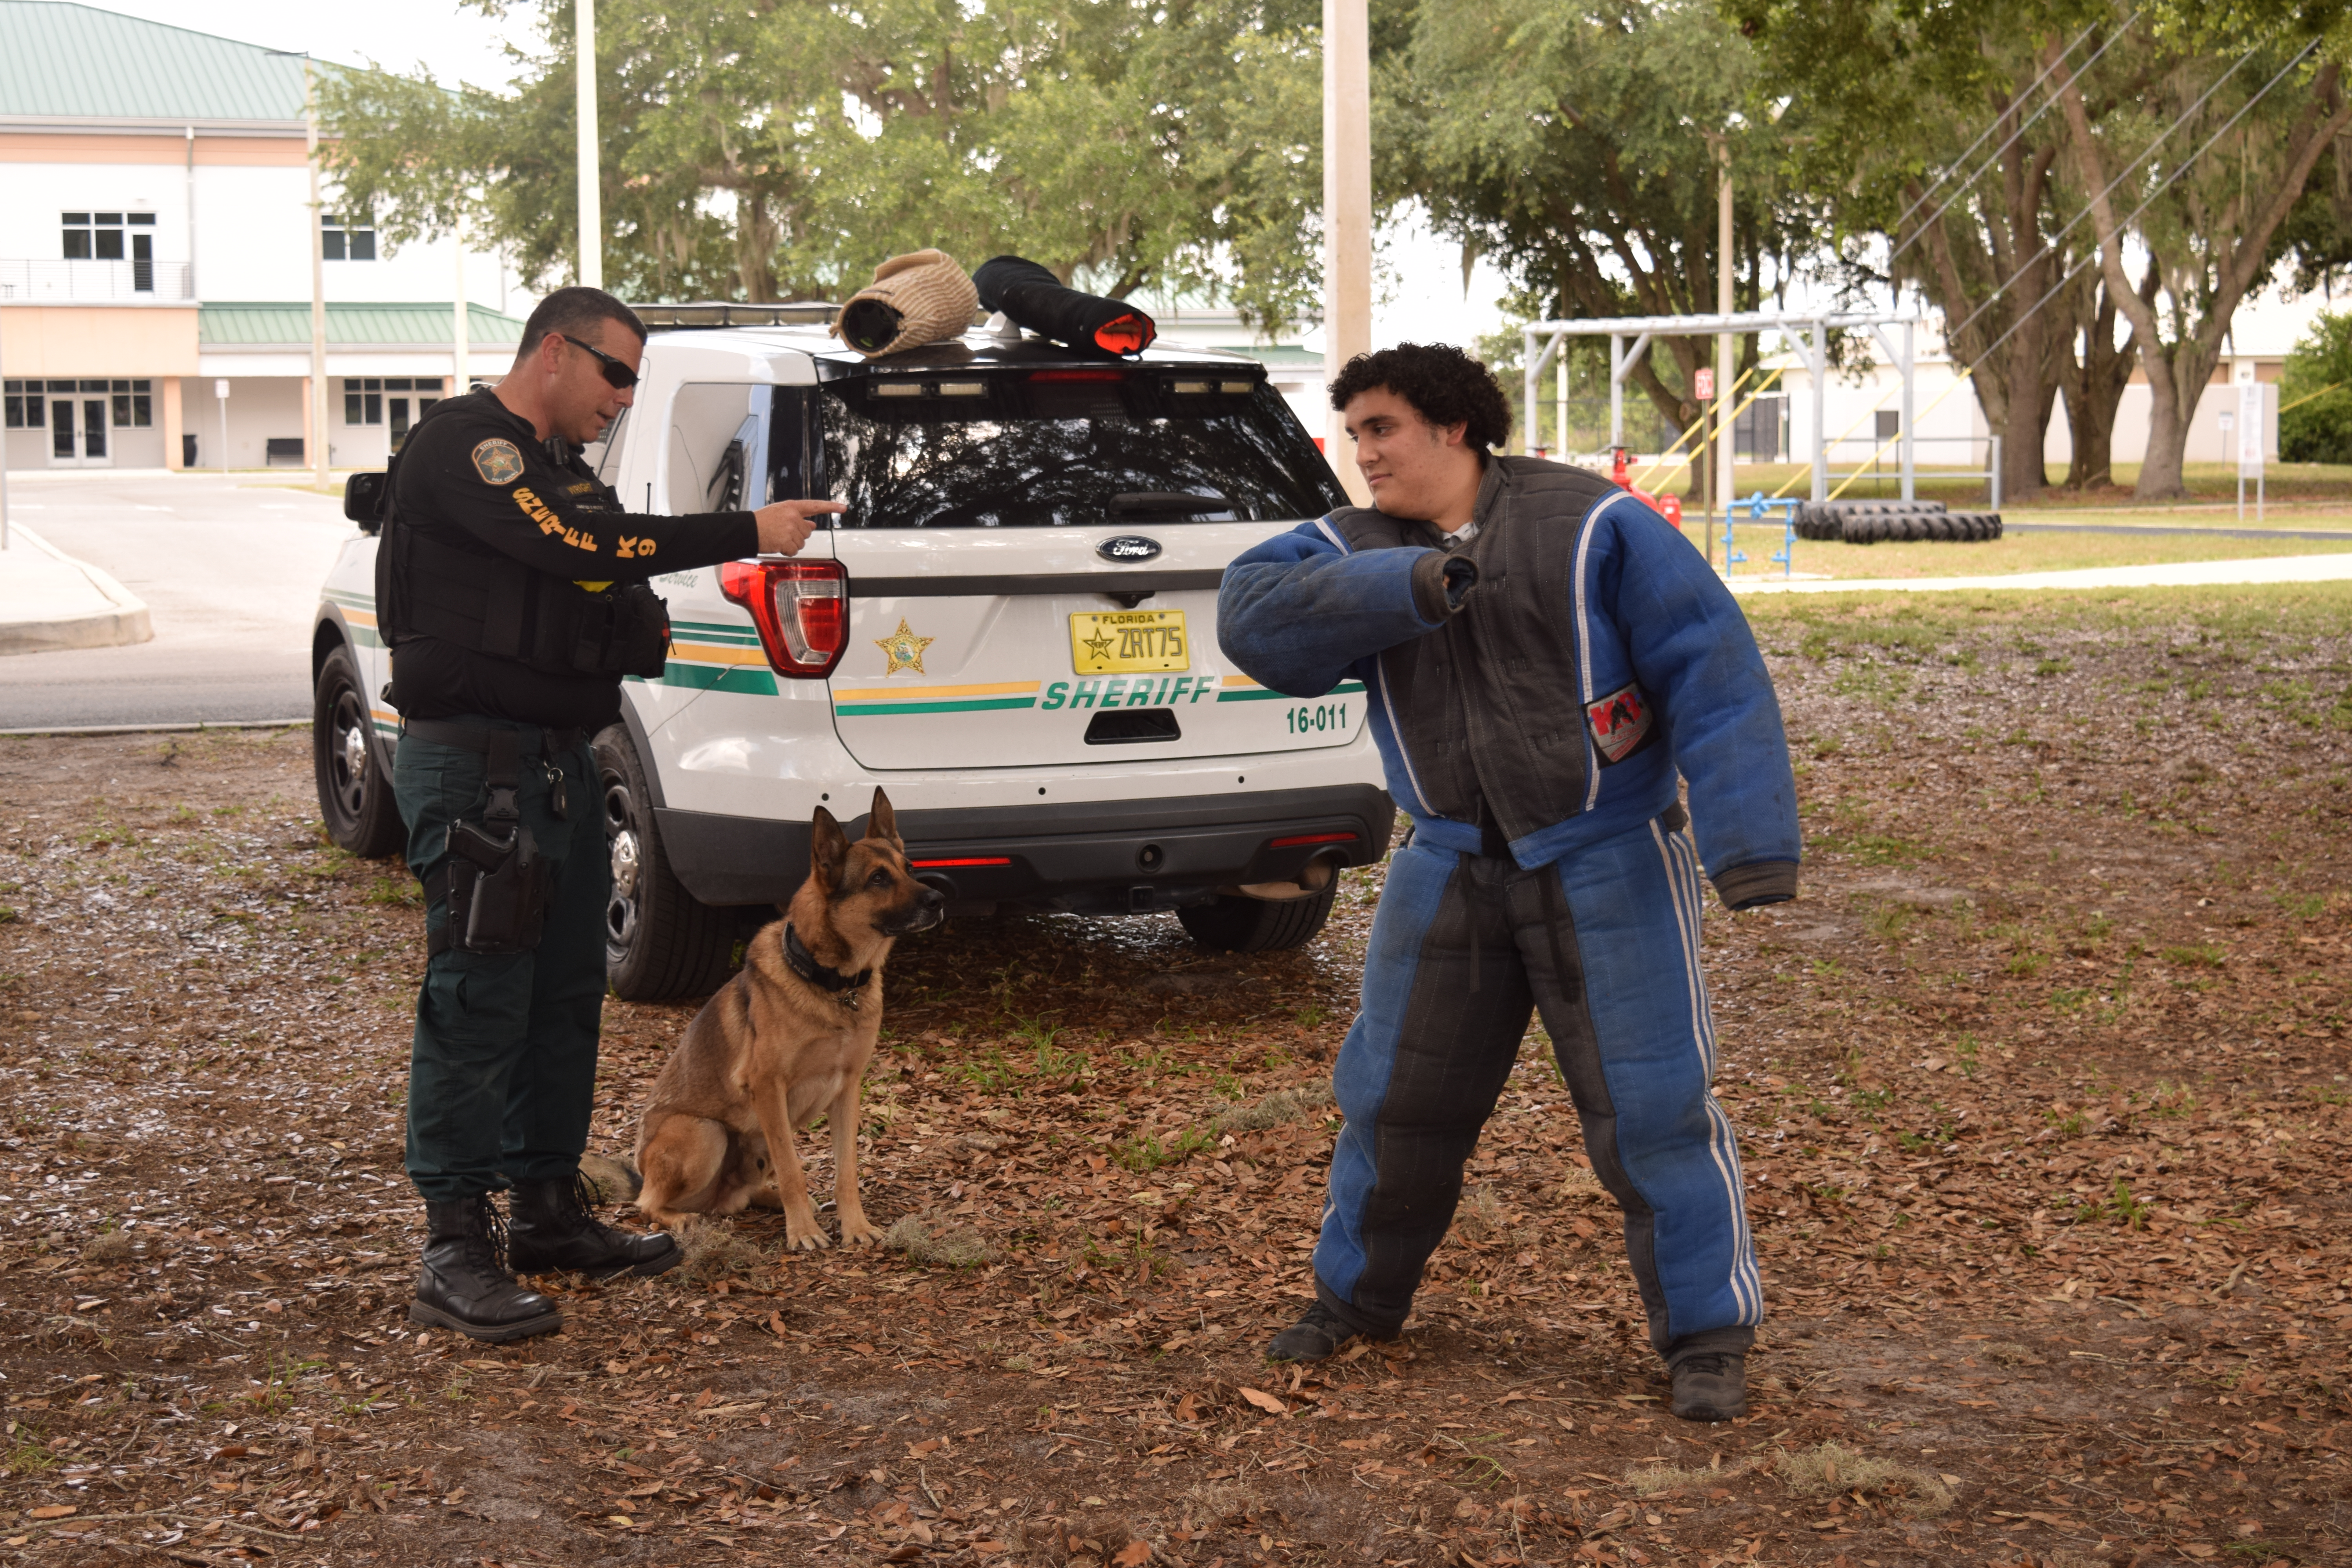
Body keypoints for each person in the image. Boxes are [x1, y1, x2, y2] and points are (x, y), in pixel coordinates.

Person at [1216, 344, 1798, 1421]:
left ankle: (1708, 1335)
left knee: (1654, 1112)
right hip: (1444, 860)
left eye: (1381, 428)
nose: (1364, 452)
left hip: (1607, 853)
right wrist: (1407, 582)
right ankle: (1355, 1302)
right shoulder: (1349, 543)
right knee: (1392, 1105)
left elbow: (1713, 669)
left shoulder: (1594, 525)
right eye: (1354, 434)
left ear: (1452, 426)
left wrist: (1749, 846)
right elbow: (1252, 617)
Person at [376, 286, 845, 1342]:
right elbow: (576, 550)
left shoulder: (557, 472)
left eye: (634, 379)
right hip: (478, 771)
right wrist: (747, 529)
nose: (624, 397)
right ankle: (456, 1247)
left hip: (558, 768)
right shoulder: (470, 451)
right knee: (478, 1001)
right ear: (554, 352)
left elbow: (600, 557)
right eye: (615, 374)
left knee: (563, 996)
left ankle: (545, 1211)